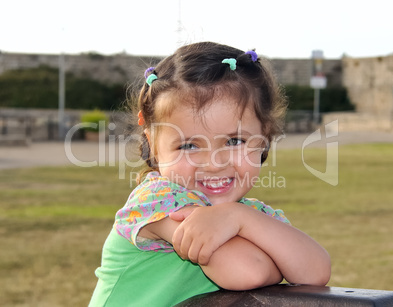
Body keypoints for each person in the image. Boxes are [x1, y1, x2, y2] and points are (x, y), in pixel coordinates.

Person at [89, 42, 331, 306]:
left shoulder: (249, 214)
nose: (214, 163)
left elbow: (315, 273)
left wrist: (240, 217)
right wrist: (246, 226)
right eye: (189, 145)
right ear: (153, 145)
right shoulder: (159, 203)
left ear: (265, 137)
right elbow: (248, 271)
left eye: (235, 141)